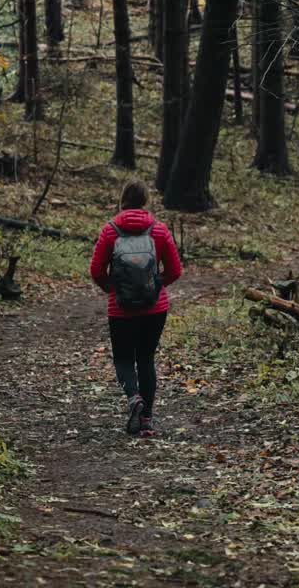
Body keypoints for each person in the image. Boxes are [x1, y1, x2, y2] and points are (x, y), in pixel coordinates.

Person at [89, 180, 182, 437]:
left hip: (121, 309)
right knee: (146, 358)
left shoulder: (110, 231)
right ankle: (147, 420)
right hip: (155, 308)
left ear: (123, 200)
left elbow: (96, 270)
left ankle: (133, 397)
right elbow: (175, 270)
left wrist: (113, 290)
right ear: (145, 201)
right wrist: (155, 286)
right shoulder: (160, 230)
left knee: (123, 358)